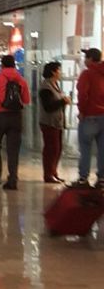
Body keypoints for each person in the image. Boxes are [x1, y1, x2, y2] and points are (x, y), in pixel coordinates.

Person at [0, 53, 30, 190]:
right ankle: (12, 179)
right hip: (15, 117)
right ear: (14, 65)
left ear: (2, 65)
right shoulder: (21, 80)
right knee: (13, 150)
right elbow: (26, 100)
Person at [75, 47, 104, 188]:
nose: (84, 60)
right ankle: (102, 179)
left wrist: (82, 111)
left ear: (91, 59)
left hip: (90, 116)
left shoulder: (87, 74)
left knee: (85, 148)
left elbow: (82, 94)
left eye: (86, 57)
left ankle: (83, 178)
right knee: (103, 149)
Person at [38, 60, 69, 183]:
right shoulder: (46, 86)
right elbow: (48, 106)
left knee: (57, 148)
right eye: (59, 70)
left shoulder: (55, 85)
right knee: (51, 148)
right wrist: (63, 101)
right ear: (53, 72)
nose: (60, 72)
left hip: (57, 122)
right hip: (49, 122)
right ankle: (48, 174)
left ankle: (53, 172)